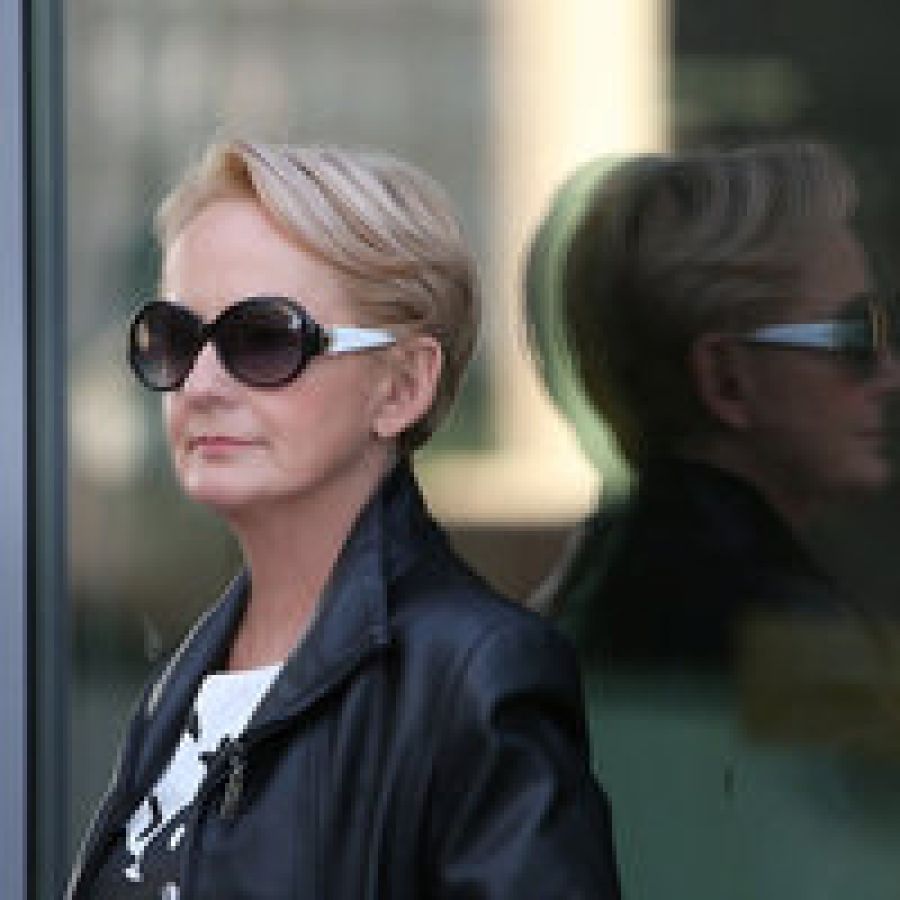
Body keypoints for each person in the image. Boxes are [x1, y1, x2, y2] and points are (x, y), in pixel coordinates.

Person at [67, 140, 620, 899]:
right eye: (176, 339)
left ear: (402, 387)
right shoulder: (184, 680)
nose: (200, 385)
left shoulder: (476, 674)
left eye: (264, 339)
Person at [526, 141, 900, 898]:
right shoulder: (775, 631)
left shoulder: (602, 585)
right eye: (854, 337)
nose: (888, 373)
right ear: (726, 379)